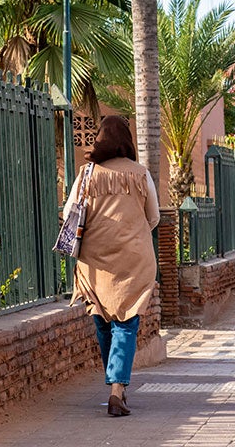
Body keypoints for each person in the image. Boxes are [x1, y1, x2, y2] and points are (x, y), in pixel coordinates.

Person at [65, 116, 160, 417]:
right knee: (127, 322)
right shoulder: (141, 174)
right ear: (127, 141)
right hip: (133, 258)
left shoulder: (87, 173)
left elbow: (69, 212)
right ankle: (117, 387)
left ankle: (115, 382)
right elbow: (154, 217)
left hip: (95, 261)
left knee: (102, 318)